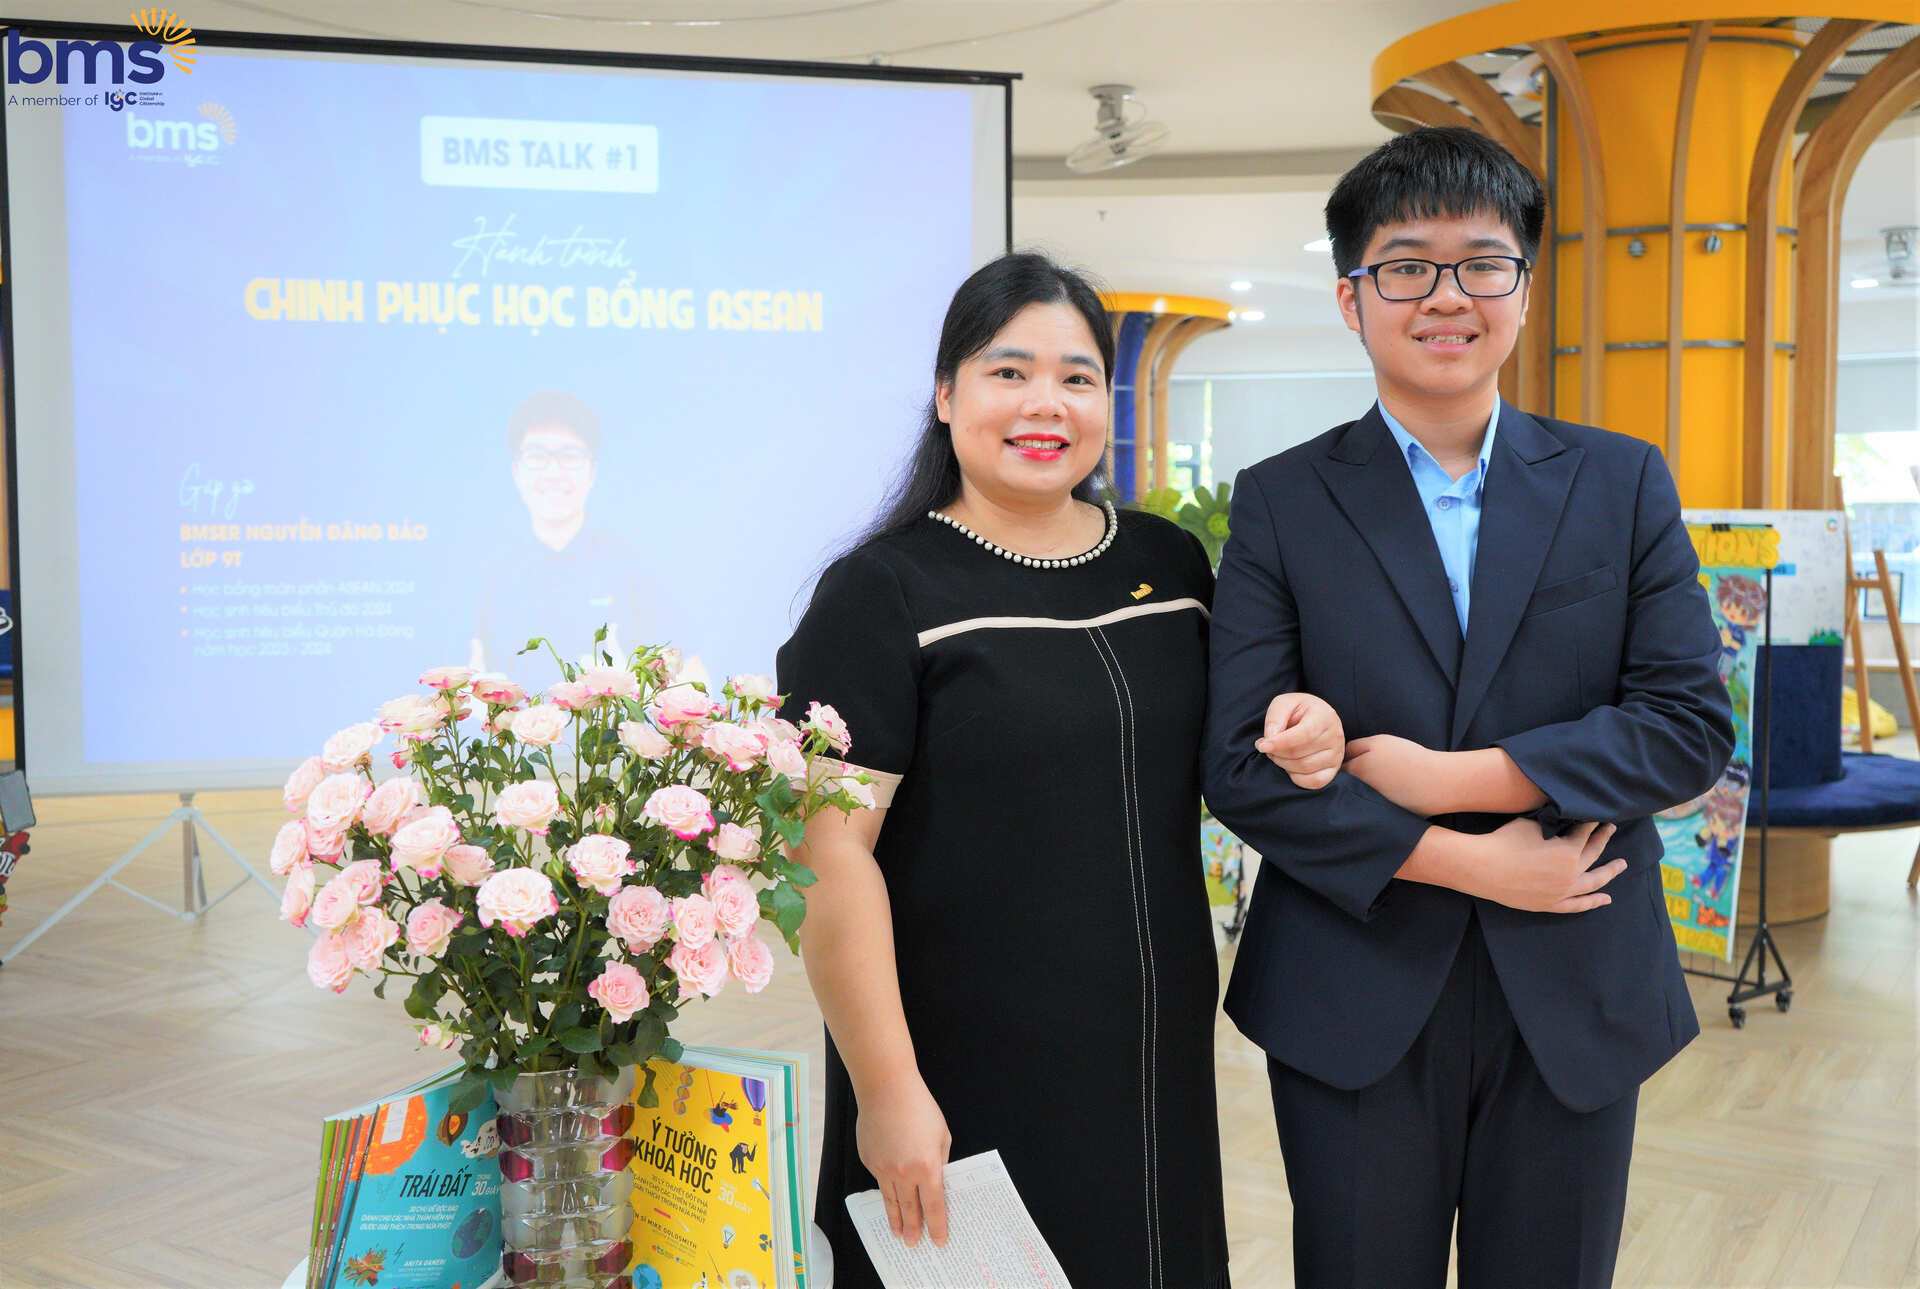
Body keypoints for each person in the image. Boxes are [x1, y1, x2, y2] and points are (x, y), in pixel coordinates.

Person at [1203, 127, 1735, 1289]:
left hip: (1576, 978)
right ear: (1352, 299)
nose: (1447, 296)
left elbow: (1688, 725)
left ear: (1525, 290)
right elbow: (1240, 763)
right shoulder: (1285, 500)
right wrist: (1472, 861)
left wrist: (1458, 779)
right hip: (1352, 981)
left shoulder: (1620, 480)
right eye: (1406, 265)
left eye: (1482, 263)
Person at [776, 251, 1341, 1289]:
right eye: (1009, 371)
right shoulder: (880, 591)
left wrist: (1308, 729)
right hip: (961, 1064)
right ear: (946, 395)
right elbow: (828, 857)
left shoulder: (1171, 564)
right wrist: (888, 1089)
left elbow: (1235, 747)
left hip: (1153, 1057)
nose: (1047, 402)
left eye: (1078, 377)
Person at [469, 391, 651, 678]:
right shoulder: (484, 571)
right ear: (516, 471)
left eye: (570, 456)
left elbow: (690, 668)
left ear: (592, 472)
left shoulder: (631, 566)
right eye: (537, 456)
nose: (553, 471)